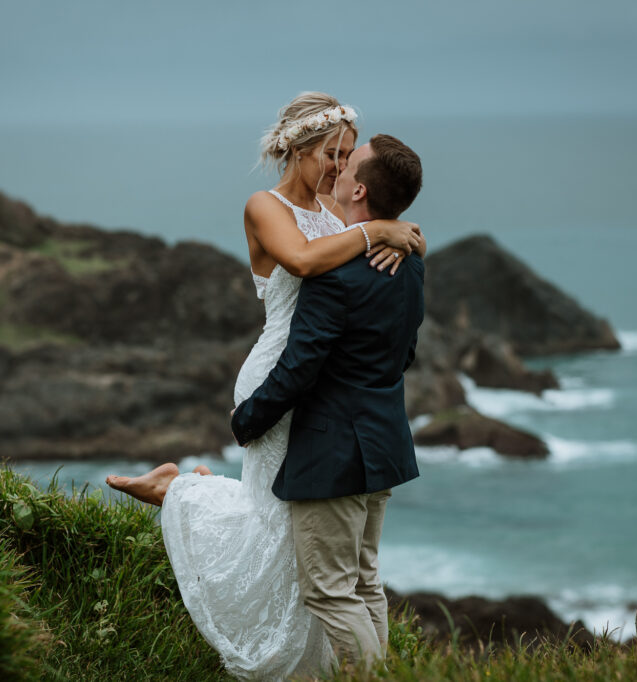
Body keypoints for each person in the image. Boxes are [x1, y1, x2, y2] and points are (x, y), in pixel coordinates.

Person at [105, 92, 423, 680]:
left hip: (323, 388)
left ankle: (182, 489)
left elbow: (364, 259)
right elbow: (302, 262)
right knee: (278, 520)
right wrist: (380, 229)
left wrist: (397, 233)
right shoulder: (264, 206)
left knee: (285, 528)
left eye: (348, 154)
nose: (338, 165)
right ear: (298, 149)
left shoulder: (343, 210)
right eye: (331, 152)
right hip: (279, 372)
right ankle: (181, 495)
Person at [230, 133, 425, 669]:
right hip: (384, 440)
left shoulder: (331, 271)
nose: (337, 169)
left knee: (331, 593)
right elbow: (403, 350)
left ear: (358, 189)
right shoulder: (407, 260)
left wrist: (248, 419)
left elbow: (301, 363)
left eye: (348, 161)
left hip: (334, 449)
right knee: (364, 583)